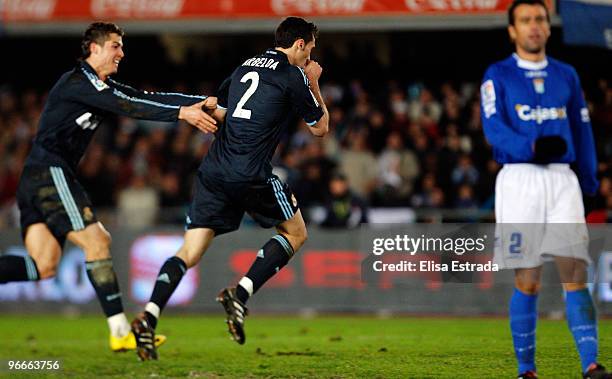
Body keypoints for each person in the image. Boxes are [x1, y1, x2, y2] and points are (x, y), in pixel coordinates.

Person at [0, 22, 218, 354]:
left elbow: (141, 98)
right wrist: (182, 113)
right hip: (50, 172)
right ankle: (119, 331)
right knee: (97, 240)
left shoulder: (101, 86)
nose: (121, 52)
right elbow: (130, 106)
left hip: (36, 178)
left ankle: (119, 332)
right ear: (95, 48)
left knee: (42, 265)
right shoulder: (78, 82)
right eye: (115, 45)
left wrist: (199, 102)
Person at [131, 16, 328, 361]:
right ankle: (241, 293)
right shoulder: (293, 74)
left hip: (213, 171)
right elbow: (320, 128)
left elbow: (221, 114)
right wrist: (313, 83)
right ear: (299, 44)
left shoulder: (243, 67)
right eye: (310, 49)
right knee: (296, 233)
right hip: (250, 174)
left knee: (188, 253)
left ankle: (148, 315)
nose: (310, 56)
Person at [480, 1, 610, 378]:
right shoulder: (497, 75)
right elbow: (493, 128)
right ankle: (527, 370)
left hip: (561, 179)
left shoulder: (566, 75)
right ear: (512, 30)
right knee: (528, 278)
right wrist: (530, 146)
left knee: (575, 273)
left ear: (548, 28)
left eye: (539, 19)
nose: (534, 26)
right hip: (520, 179)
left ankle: (590, 364)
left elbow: (582, 130)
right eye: (525, 20)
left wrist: (589, 179)